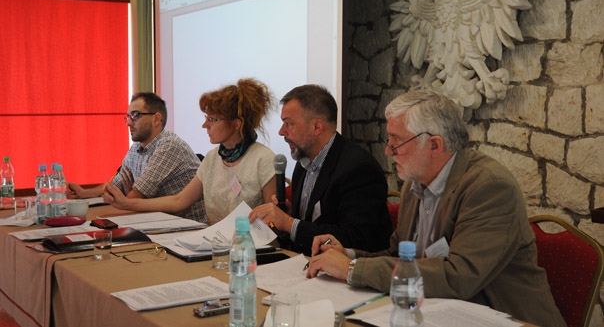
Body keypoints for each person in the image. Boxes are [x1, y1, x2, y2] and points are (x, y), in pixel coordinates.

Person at [304, 90, 566, 327]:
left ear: (434, 145)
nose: (388, 151)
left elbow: (459, 277)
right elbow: (398, 256)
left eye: (396, 142)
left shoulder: (489, 187)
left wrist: (353, 269)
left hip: (505, 318)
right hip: (437, 313)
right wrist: (347, 255)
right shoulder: (414, 184)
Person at [103, 78, 277, 225]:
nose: (204, 125)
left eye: (212, 119)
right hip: (215, 243)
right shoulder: (212, 158)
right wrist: (128, 203)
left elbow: (273, 221)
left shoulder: (263, 159)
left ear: (236, 124)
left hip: (251, 248)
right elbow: (179, 201)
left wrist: (128, 202)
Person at [249, 84, 391, 255]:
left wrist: (290, 223)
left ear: (317, 127)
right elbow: (305, 231)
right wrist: (286, 218)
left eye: (288, 123)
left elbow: (358, 238)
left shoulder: (359, 168)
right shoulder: (303, 163)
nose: (281, 131)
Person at [67, 92, 205, 222]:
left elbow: (131, 199)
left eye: (135, 115)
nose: (128, 123)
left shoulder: (169, 145)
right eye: (128, 117)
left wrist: (128, 196)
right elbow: (115, 187)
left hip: (188, 226)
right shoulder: (136, 148)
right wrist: (84, 193)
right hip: (158, 221)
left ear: (156, 119)